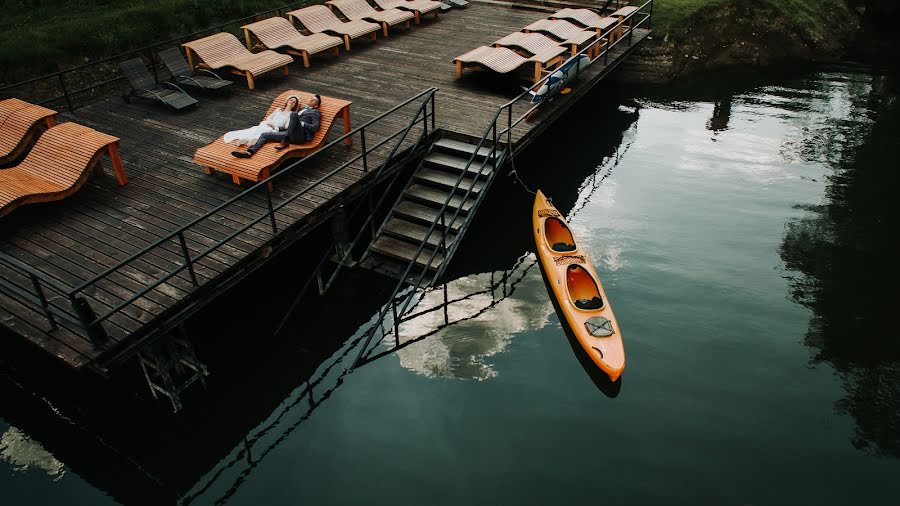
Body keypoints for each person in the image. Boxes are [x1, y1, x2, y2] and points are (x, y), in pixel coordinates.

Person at [232, 94, 322, 158]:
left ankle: (286, 140)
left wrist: (301, 123)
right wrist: (277, 128)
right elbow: (289, 124)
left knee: (293, 115)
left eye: (313, 100)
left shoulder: (315, 112)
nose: (310, 100)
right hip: (289, 134)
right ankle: (249, 152)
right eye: (311, 98)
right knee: (265, 134)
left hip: (301, 136)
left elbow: (315, 127)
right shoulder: (301, 110)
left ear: (316, 105)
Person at [224, 95, 299, 147]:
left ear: (294, 105)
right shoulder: (278, 110)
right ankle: (246, 139)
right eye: (291, 100)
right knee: (256, 128)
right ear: (287, 101)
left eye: (294, 102)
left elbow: (287, 126)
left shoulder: (292, 114)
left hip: (275, 128)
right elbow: (269, 117)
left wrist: (274, 126)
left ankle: (254, 140)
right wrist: (269, 123)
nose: (291, 102)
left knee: (266, 130)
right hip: (268, 124)